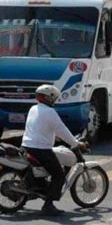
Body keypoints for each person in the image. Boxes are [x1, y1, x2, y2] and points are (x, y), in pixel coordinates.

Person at [22, 84, 86, 216]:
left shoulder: (33, 108)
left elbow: (39, 127)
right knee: (58, 175)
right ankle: (48, 205)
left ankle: (38, 189)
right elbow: (62, 130)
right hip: (41, 150)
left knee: (46, 170)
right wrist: (76, 143)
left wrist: (53, 137)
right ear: (50, 98)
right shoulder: (50, 112)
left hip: (26, 146)